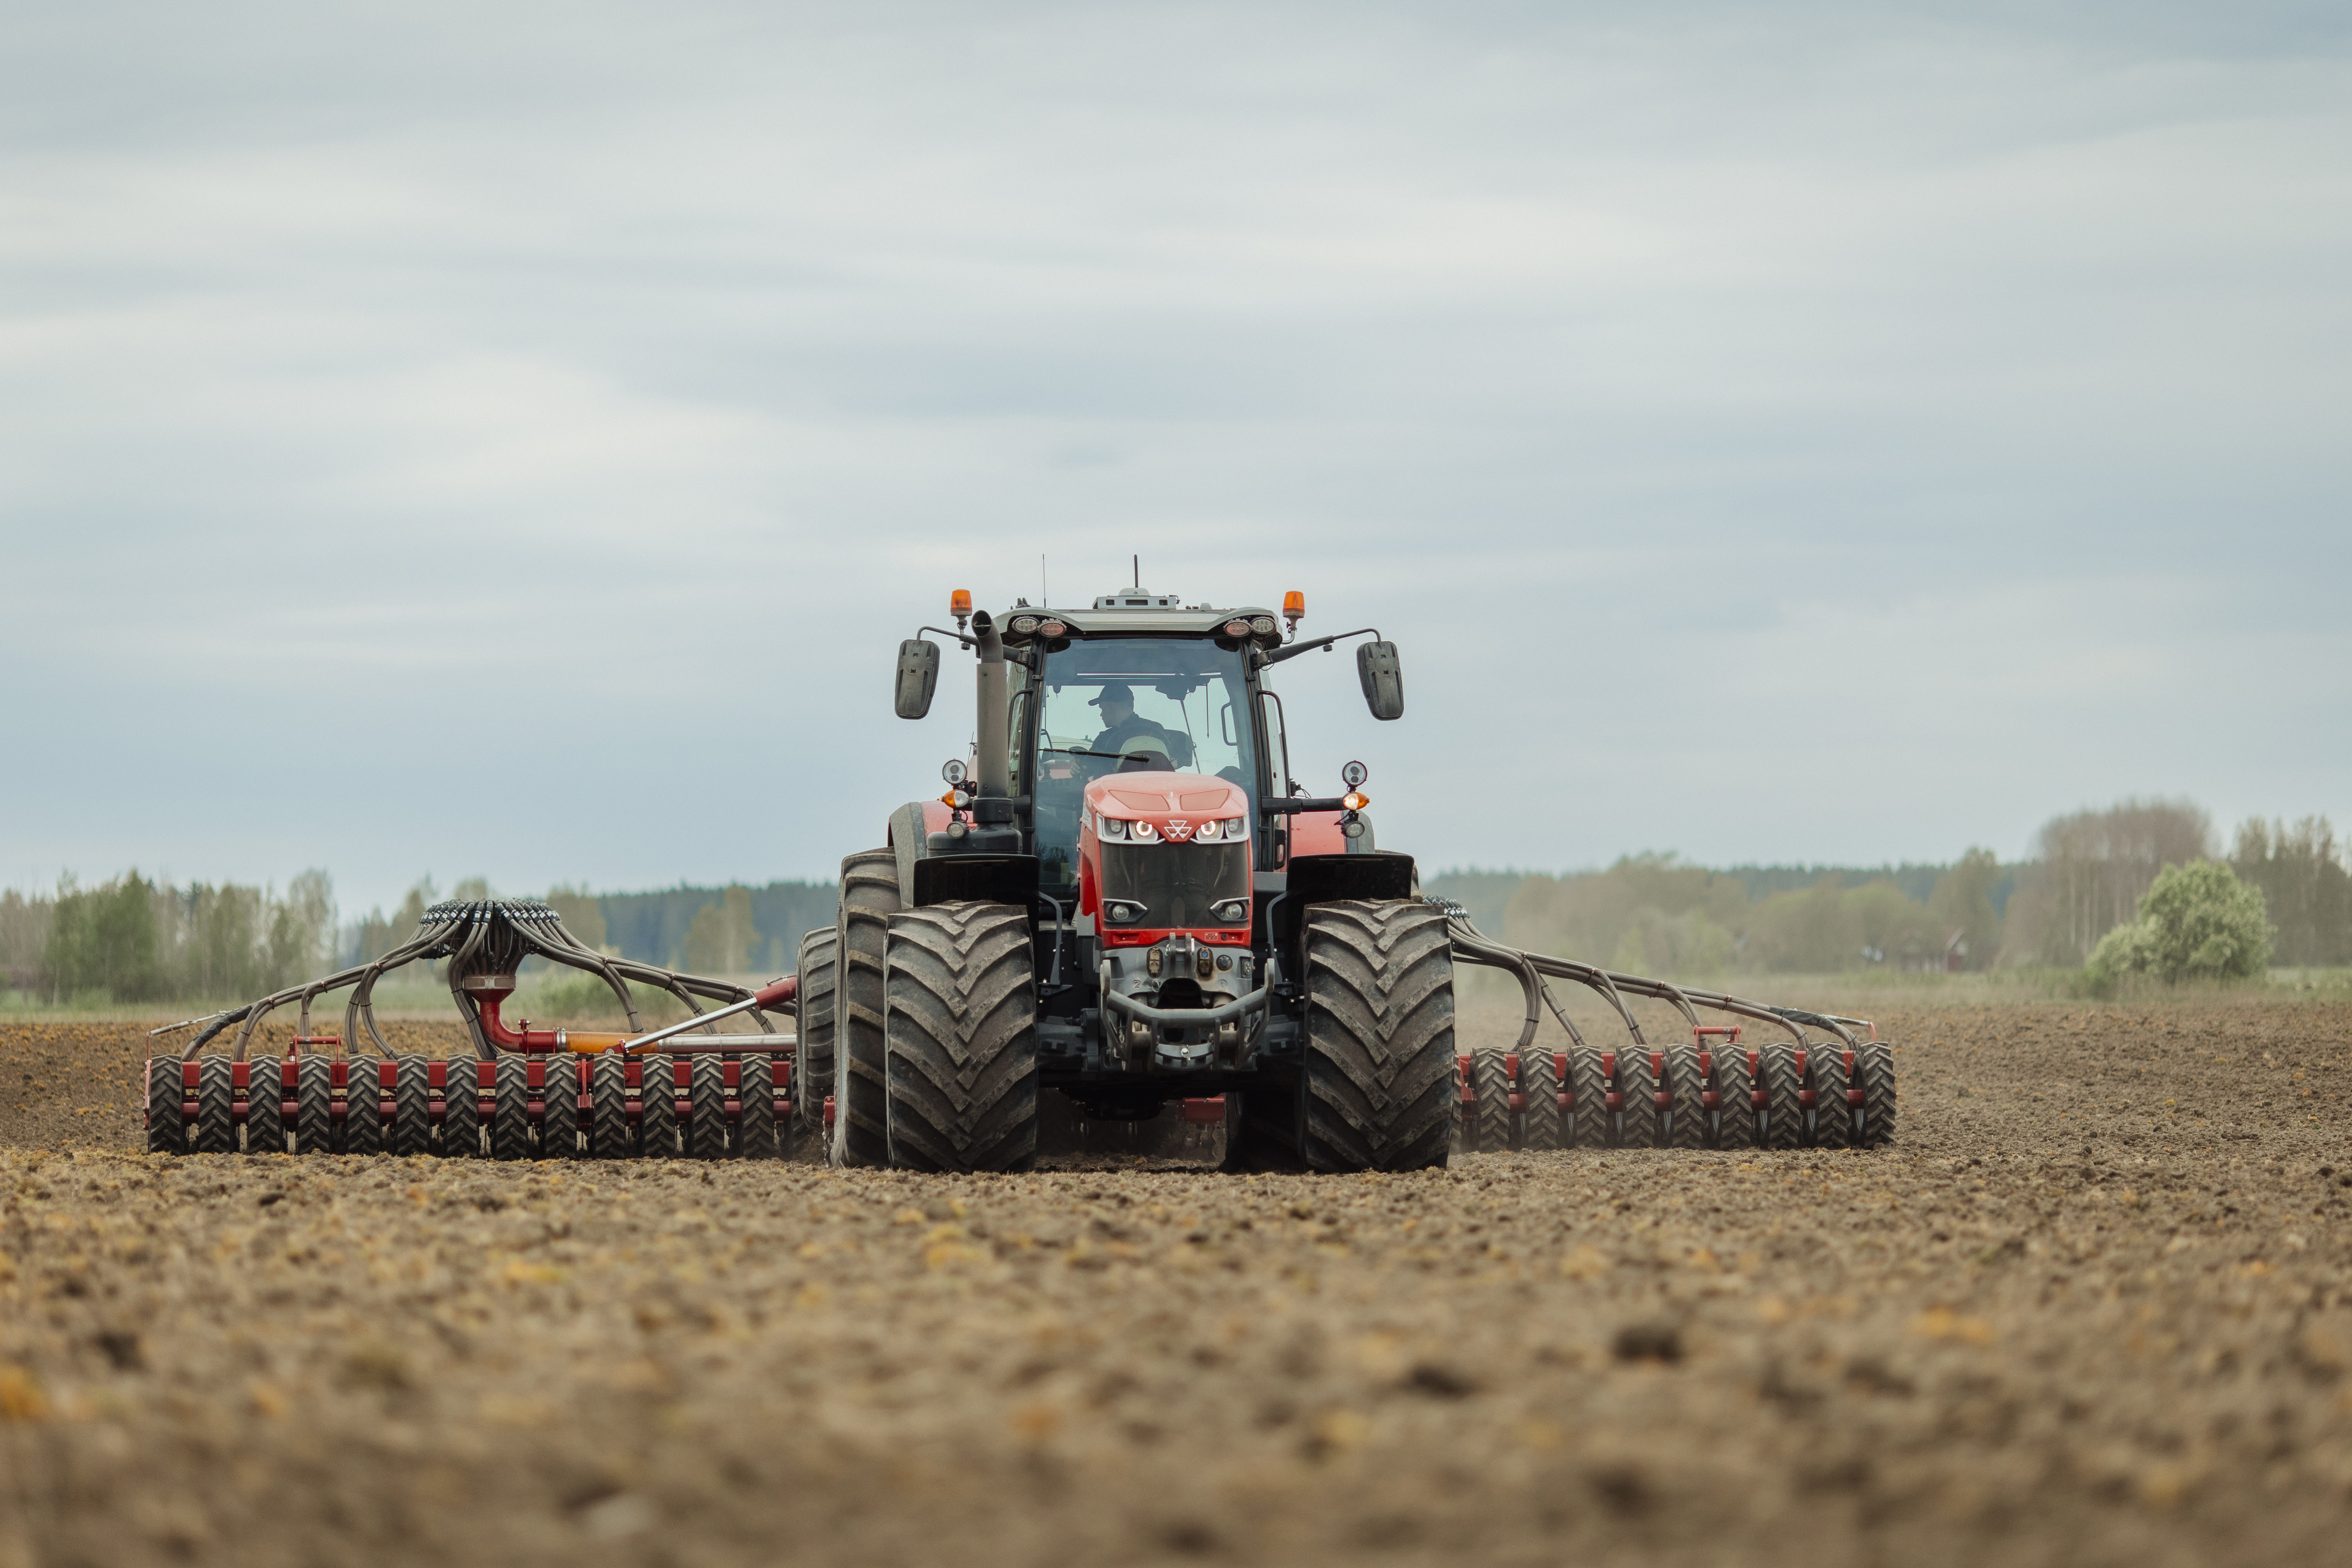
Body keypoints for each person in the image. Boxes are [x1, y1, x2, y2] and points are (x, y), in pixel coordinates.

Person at [1088, 683, 1179, 763]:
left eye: (1102, 708)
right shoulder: (1155, 730)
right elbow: (1173, 761)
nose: (1101, 714)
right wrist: (1076, 766)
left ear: (1111, 707)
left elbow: (1170, 761)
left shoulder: (1103, 740)